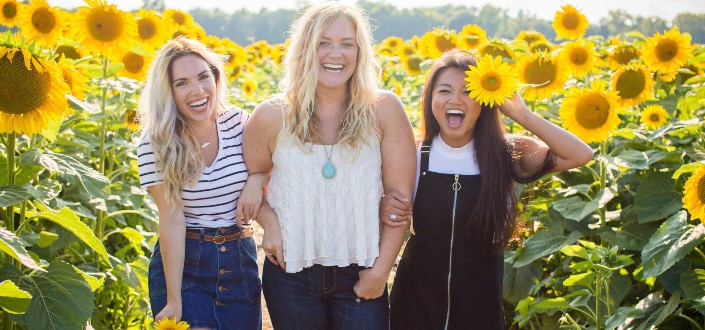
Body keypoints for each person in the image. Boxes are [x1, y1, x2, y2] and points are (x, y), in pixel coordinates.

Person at [383, 49, 594, 329]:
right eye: (444, 90)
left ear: (485, 102)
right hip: (414, 307)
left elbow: (580, 155)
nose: (455, 100)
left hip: (479, 311)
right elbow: (383, 202)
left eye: (468, 92)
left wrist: (520, 113)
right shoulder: (413, 152)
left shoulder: (505, 154)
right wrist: (383, 205)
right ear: (430, 99)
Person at [242, 2, 416, 329]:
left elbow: (399, 202)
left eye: (347, 44)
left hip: (362, 271)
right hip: (289, 274)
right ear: (305, 49)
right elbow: (251, 180)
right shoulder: (270, 116)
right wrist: (270, 222)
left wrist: (380, 273)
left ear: (360, 52)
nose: (335, 53)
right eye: (324, 42)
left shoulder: (384, 109)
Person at [136, 36, 263, 329]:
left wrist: (258, 178)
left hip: (239, 263)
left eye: (204, 77)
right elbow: (171, 219)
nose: (198, 90)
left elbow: (269, 164)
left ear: (216, 78)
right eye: (182, 83)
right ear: (167, 91)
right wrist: (174, 297)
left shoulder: (238, 123)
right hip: (186, 265)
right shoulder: (155, 143)